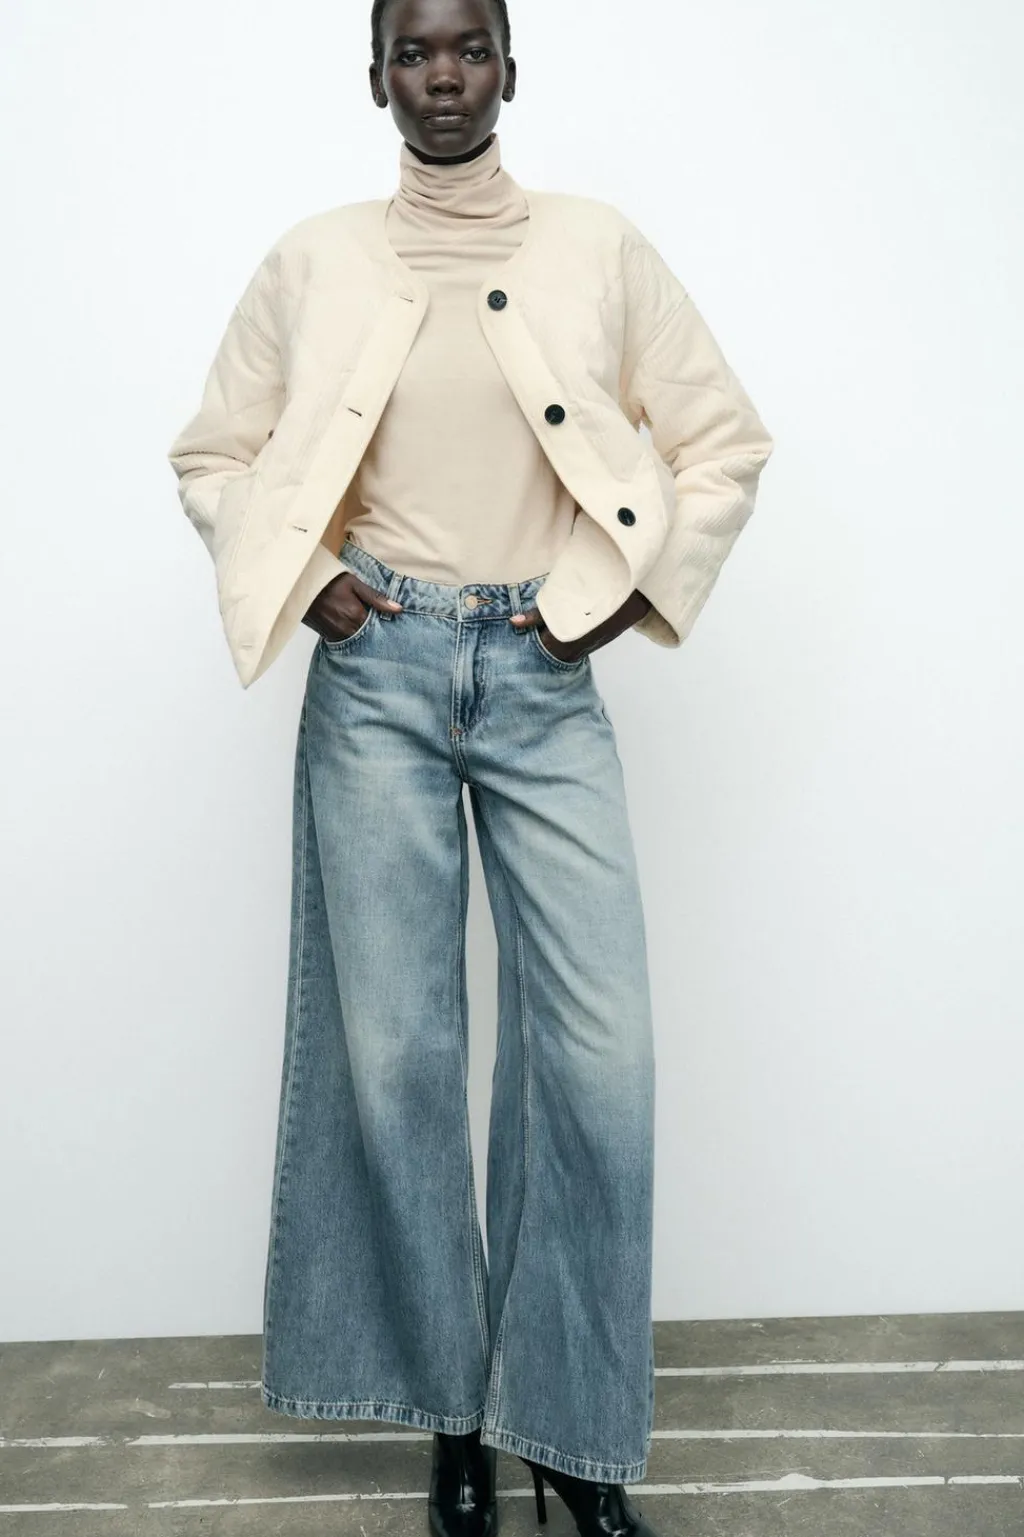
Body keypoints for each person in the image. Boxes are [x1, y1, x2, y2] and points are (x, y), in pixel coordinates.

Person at [166, 1, 774, 1532]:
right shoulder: (313, 260)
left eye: (470, 49)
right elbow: (213, 455)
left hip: (540, 672)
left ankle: (566, 1432)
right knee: (399, 1058)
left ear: (511, 67)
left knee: (598, 1058)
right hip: (375, 676)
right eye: (416, 53)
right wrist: (311, 581)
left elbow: (724, 443)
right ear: (377, 76)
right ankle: (453, 1414)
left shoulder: (597, 246)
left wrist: (621, 593)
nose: (444, 76)